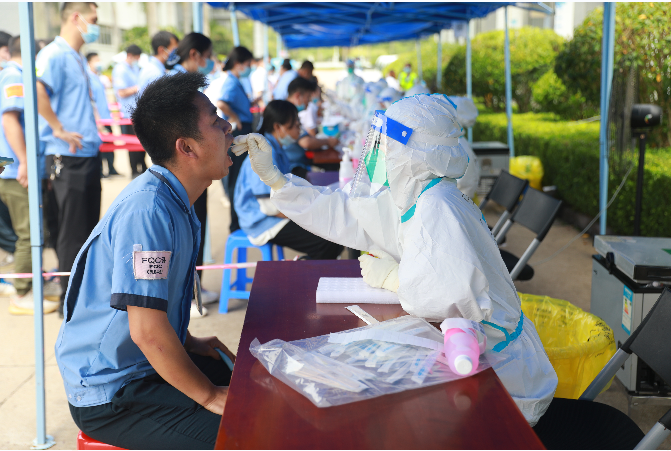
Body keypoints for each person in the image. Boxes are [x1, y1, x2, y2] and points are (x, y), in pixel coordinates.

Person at [232, 94, 558, 426]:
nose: (380, 154)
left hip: (500, 377)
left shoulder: (438, 207)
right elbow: (348, 213)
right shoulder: (416, 195)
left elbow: (447, 295)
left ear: (414, 153)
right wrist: (278, 180)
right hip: (474, 354)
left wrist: (393, 277)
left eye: (388, 145)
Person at [55, 71, 236, 450]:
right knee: (245, 429)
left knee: (246, 379)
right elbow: (147, 331)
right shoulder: (149, 210)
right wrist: (208, 397)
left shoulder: (174, 198)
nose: (229, 128)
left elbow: (151, 301)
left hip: (141, 366)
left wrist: (187, 339)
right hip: (114, 392)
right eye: (217, 121)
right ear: (187, 147)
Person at [36, 2, 104, 318]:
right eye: (93, 19)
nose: (96, 24)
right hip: (69, 156)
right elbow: (36, 90)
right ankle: (69, 301)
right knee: (72, 232)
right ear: (76, 18)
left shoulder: (74, 57)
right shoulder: (54, 54)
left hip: (86, 153)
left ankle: (81, 298)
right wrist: (59, 129)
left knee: (87, 231)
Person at [233, 100, 343, 260]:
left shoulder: (276, 149)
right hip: (261, 220)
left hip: (275, 211)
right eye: (294, 126)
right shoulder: (264, 154)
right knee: (327, 239)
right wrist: (305, 214)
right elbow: (267, 206)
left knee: (332, 230)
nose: (299, 130)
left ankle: (310, 268)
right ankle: (300, 272)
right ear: (278, 127)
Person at [0, 35, 60, 315]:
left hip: (19, 167)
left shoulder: (17, 75)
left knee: (29, 231)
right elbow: (10, 119)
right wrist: (23, 161)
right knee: (28, 233)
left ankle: (30, 285)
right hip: (16, 170)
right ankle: (22, 293)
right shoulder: (14, 76)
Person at [165, 32, 218, 313]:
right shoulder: (176, 85)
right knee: (185, 233)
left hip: (193, 169)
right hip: (185, 171)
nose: (210, 62)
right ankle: (187, 298)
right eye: (208, 56)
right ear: (195, 54)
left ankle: (195, 289)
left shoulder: (183, 82)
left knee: (197, 229)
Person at [217, 45, 254, 234]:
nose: (250, 68)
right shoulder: (231, 81)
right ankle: (235, 223)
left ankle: (239, 220)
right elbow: (222, 102)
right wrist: (237, 118)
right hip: (239, 131)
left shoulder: (236, 80)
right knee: (236, 181)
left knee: (240, 179)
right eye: (248, 64)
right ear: (239, 64)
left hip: (243, 130)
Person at [284, 77, 338, 174]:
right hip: (294, 167)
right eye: (308, 97)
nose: (309, 102)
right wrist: (328, 141)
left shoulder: (290, 112)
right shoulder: (287, 114)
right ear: (298, 96)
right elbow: (306, 142)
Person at [113, 44, 145, 177]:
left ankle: (142, 166)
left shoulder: (134, 68)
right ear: (130, 55)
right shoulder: (121, 69)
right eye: (136, 57)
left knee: (142, 142)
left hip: (138, 112)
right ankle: (134, 170)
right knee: (132, 144)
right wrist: (139, 87)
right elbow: (121, 92)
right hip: (128, 113)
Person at [86, 52, 118, 177]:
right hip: (98, 119)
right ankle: (100, 171)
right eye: (96, 60)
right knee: (100, 146)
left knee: (110, 145)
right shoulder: (88, 78)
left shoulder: (99, 78)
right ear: (89, 63)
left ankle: (111, 168)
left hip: (106, 117)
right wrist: (97, 119)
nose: (98, 62)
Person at [137, 30, 179, 95]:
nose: (176, 53)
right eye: (174, 50)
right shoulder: (155, 73)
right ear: (161, 50)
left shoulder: (154, 68)